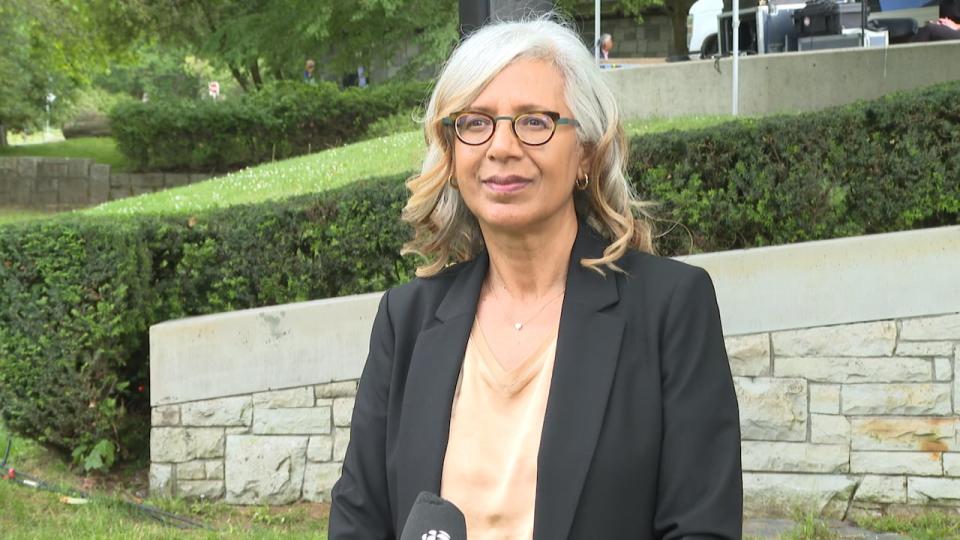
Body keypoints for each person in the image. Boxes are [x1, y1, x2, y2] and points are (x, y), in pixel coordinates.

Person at [328, 15, 742, 540]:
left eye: (534, 121)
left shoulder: (669, 309)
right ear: (453, 153)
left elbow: (701, 527)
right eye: (476, 122)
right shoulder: (406, 320)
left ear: (586, 154)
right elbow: (357, 523)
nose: (501, 146)